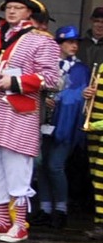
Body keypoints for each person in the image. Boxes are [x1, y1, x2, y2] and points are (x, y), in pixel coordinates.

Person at [0, 0, 62, 243]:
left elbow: (52, 79)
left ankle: (20, 224)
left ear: (29, 12)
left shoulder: (42, 40)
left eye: (17, 8)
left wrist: (16, 82)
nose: (11, 11)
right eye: (8, 7)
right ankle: (1, 221)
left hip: (19, 112)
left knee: (17, 168)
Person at [38, 26, 89, 229]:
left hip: (66, 124)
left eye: (76, 42)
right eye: (69, 42)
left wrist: (58, 99)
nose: (74, 46)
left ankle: (61, 209)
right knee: (42, 165)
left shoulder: (81, 69)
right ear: (58, 44)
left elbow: (78, 94)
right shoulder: (48, 65)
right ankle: (44, 208)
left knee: (55, 165)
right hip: (44, 122)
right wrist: (43, 99)